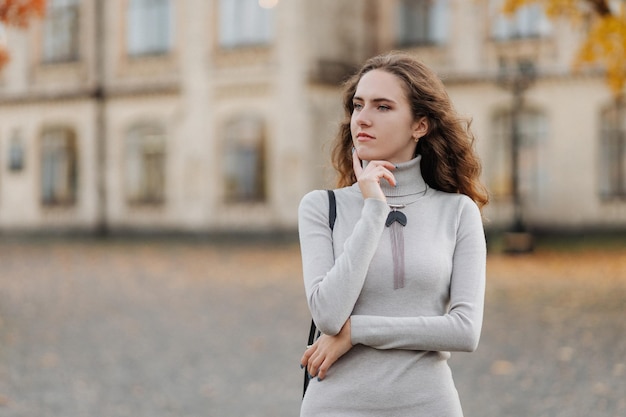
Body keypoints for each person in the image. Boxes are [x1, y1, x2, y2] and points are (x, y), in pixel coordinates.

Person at [298, 51, 489, 416]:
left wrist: (358, 331)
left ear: (420, 125)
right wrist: (373, 210)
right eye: (358, 105)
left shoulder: (457, 211)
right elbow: (327, 314)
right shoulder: (321, 207)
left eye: (382, 107)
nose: (362, 119)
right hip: (335, 407)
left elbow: (464, 330)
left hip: (428, 405)